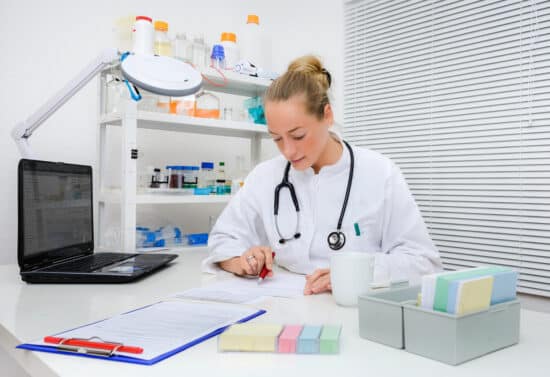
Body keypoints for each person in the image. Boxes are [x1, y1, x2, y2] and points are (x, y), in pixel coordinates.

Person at [202, 55, 442, 295]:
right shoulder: (265, 177)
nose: (288, 150)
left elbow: (423, 262)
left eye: (298, 136)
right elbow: (223, 239)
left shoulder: (380, 173)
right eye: (276, 138)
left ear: (327, 115)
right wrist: (242, 261)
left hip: (355, 306)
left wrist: (358, 272)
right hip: (283, 306)